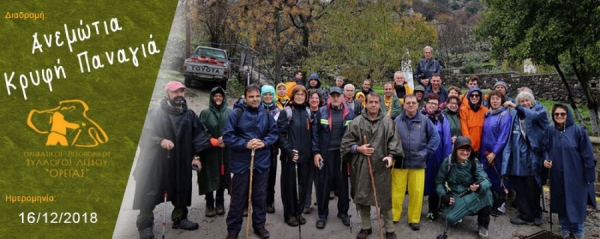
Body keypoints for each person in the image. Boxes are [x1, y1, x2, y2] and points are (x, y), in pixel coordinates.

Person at [133, 81, 217, 239]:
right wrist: (159, 140)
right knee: (150, 188)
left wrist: (196, 157)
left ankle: (180, 218)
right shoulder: (155, 113)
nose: (179, 95)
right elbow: (144, 133)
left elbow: (199, 136)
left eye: (181, 91)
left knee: (181, 187)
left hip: (181, 160)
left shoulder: (189, 114)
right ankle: (145, 223)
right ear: (167, 94)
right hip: (157, 161)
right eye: (175, 92)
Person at [341, 92, 403, 239]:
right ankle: (365, 227)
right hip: (362, 165)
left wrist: (391, 156)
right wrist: (358, 148)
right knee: (363, 195)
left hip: (382, 165)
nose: (373, 105)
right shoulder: (357, 122)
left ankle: (389, 228)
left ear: (379, 104)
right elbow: (345, 143)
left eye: (376, 102)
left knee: (385, 197)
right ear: (366, 104)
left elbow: (394, 141)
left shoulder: (388, 122)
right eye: (371, 102)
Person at [223, 84, 279, 239]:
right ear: (245, 98)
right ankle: (233, 229)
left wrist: (264, 142)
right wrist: (245, 144)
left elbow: (274, 133)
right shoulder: (236, 114)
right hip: (241, 163)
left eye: (257, 96)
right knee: (238, 197)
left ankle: (259, 225)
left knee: (260, 196)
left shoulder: (267, 114)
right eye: (251, 96)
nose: (255, 99)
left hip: (261, 162)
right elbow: (228, 136)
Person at [542, 104, 597, 239]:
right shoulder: (550, 131)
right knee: (561, 200)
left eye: (563, 114)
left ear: (568, 115)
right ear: (553, 116)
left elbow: (588, 154)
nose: (560, 116)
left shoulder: (578, 131)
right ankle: (565, 227)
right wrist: (546, 159)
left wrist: (589, 174)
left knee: (576, 201)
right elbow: (545, 148)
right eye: (556, 114)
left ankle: (578, 230)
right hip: (557, 173)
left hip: (576, 173)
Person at [392, 94, 440, 230]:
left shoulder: (425, 121)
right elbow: (391, 138)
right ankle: (394, 216)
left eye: (413, 103)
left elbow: (435, 137)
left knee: (417, 192)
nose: (411, 105)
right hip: (400, 161)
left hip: (418, 162)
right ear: (404, 105)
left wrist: (425, 152)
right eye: (408, 103)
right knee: (396, 192)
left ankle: (414, 219)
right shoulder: (397, 120)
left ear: (418, 104)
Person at [501, 90, 549, 226]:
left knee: (532, 188)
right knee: (520, 189)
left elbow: (533, 117)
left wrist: (516, 106)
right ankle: (525, 215)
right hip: (517, 158)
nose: (525, 103)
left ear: (532, 101)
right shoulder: (516, 115)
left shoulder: (539, 111)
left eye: (527, 100)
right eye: (522, 101)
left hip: (532, 157)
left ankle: (536, 215)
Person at [312, 87, 355, 229]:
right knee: (324, 185)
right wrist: (316, 152)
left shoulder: (350, 113)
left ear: (342, 96)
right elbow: (315, 134)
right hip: (326, 154)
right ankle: (322, 215)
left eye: (338, 95)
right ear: (329, 97)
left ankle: (343, 213)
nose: (335, 98)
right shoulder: (321, 112)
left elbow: (354, 134)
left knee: (342, 185)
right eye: (333, 95)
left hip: (342, 155)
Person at [436, 136, 493, 239]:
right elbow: (439, 183)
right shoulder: (448, 162)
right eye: (462, 150)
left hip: (471, 194)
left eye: (468, 150)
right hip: (456, 197)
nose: (465, 153)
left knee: (486, 191)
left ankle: (483, 225)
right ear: (455, 149)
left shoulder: (474, 162)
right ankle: (460, 213)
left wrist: (479, 186)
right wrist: (444, 196)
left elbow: (486, 180)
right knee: (449, 218)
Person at [277, 85, 313, 227]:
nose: (300, 96)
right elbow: (280, 135)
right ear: (292, 96)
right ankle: (289, 214)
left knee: (303, 185)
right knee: (289, 186)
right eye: (297, 94)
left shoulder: (308, 113)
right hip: (289, 156)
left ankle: (299, 212)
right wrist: (289, 151)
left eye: (302, 94)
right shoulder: (286, 113)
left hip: (305, 157)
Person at [198, 87, 231, 217]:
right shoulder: (205, 113)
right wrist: (212, 141)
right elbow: (200, 130)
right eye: (215, 96)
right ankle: (209, 202)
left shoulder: (230, 112)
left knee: (223, 175)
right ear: (212, 98)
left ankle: (220, 201)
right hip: (209, 151)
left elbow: (234, 129)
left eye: (220, 96)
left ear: (224, 98)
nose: (218, 98)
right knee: (209, 175)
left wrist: (227, 139)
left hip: (225, 151)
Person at [479, 90, 512, 217]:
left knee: (499, 178)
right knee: (487, 178)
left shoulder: (504, 116)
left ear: (502, 101)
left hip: (497, 154)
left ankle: (500, 204)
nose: (495, 101)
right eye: (492, 99)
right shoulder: (487, 115)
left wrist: (495, 152)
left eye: (497, 99)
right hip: (485, 152)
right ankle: (490, 203)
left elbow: (503, 137)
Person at [421, 94, 452, 221]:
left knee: (436, 182)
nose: (433, 105)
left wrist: (447, 158)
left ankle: (433, 209)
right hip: (422, 155)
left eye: (435, 103)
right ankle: (416, 210)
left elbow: (447, 139)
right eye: (430, 103)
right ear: (426, 103)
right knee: (420, 183)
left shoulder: (442, 119)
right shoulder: (420, 117)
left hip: (437, 156)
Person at [261, 85, 282, 214]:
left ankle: (269, 201)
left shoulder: (278, 111)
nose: (268, 96)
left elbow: (280, 130)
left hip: (272, 149)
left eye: (270, 94)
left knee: (271, 176)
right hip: (258, 148)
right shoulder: (257, 109)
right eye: (265, 94)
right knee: (258, 176)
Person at [304, 89, 325, 214]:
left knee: (320, 177)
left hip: (320, 150)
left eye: (316, 98)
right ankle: (307, 203)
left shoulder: (323, 112)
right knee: (308, 178)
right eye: (311, 98)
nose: (314, 100)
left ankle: (320, 201)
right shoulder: (305, 112)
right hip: (307, 150)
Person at [460, 87, 488, 153]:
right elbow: (464, 129)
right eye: (472, 95)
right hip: (469, 146)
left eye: (477, 95)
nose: (474, 97)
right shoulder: (463, 110)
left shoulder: (485, 110)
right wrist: (470, 145)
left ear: (480, 97)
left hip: (482, 146)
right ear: (469, 97)